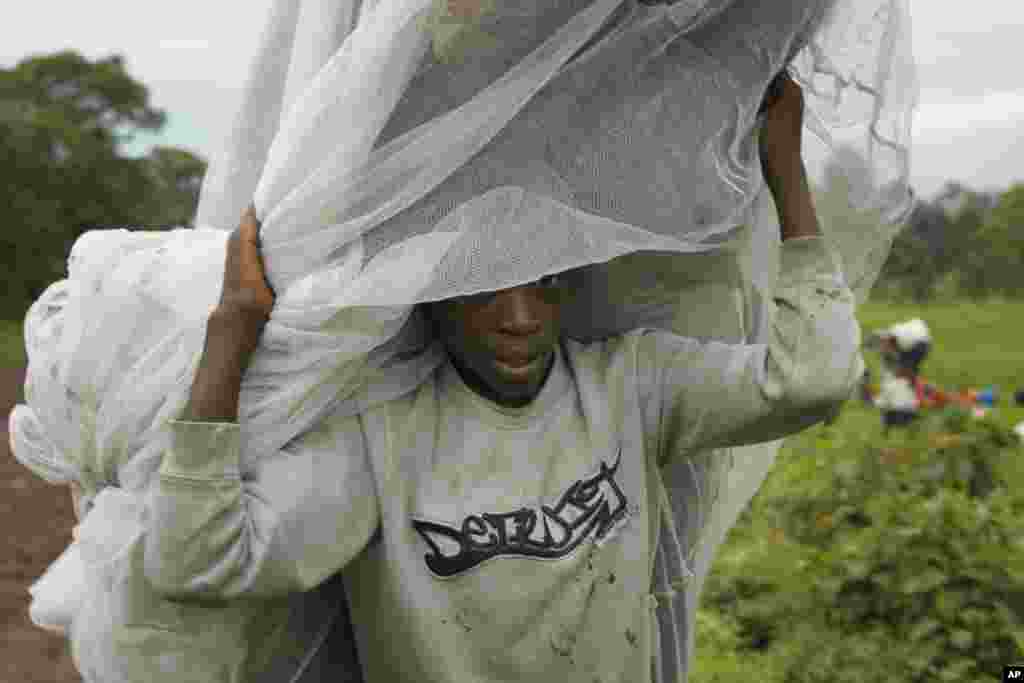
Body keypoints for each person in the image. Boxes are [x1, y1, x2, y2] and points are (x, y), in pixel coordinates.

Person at [136, 73, 863, 682]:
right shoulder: (383, 437)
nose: (519, 317)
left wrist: (785, 172)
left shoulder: (629, 385)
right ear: (434, 300)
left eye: (544, 282)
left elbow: (813, 377)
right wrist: (230, 335)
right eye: (484, 289)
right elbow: (195, 560)